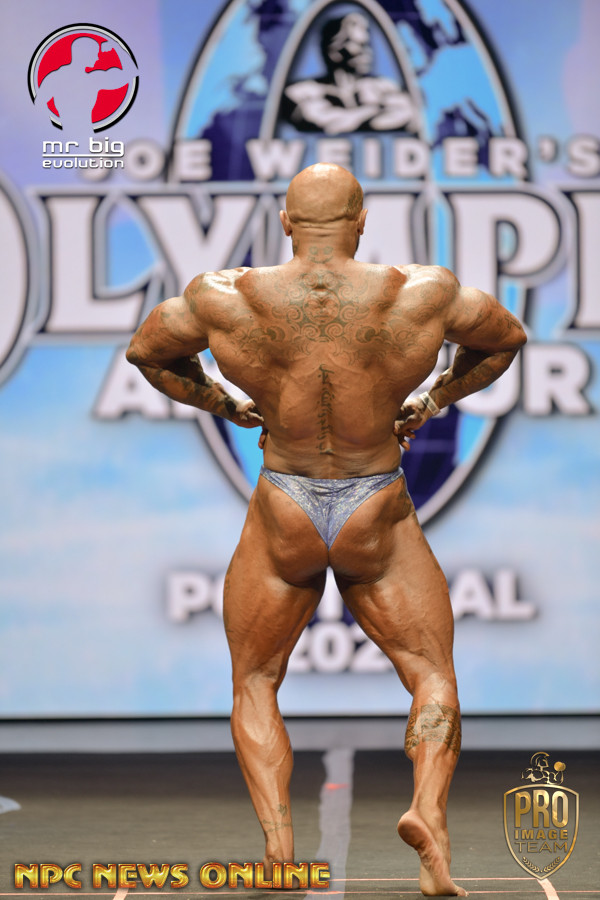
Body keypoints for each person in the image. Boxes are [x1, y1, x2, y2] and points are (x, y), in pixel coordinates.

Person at [126, 163, 526, 897]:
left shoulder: (224, 296)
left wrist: (221, 403)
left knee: (255, 679)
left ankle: (281, 855)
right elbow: (505, 339)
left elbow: (147, 352)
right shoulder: (422, 292)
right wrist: (436, 396)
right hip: (377, 502)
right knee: (431, 673)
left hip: (285, 502)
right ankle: (428, 816)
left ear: (285, 221)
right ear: (362, 221)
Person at [282, 13, 418, 135]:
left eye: (367, 45)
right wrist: (375, 109)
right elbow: (326, 124)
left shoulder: (386, 88)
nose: (367, 52)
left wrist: (351, 118)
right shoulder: (300, 92)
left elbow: (407, 116)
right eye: (359, 45)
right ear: (334, 51)